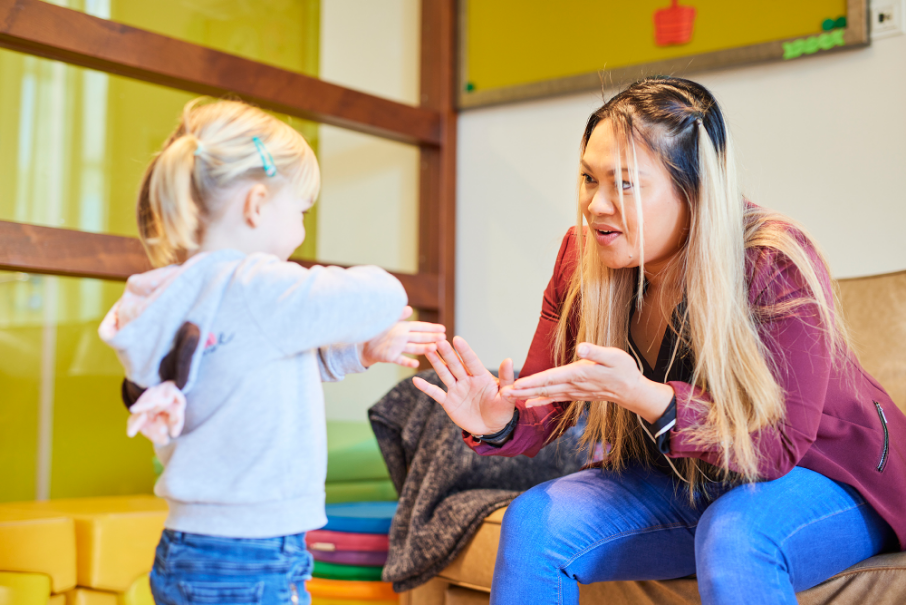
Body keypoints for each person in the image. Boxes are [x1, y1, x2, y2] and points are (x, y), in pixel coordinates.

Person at [413, 77, 905, 605]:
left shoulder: (773, 261)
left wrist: (647, 396)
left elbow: (777, 446)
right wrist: (500, 420)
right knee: (535, 523)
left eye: (625, 184)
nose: (597, 205)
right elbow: (543, 402)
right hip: (686, 476)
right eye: (588, 178)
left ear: (693, 190)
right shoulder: (583, 260)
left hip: (824, 474)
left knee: (735, 535)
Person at [98, 99, 445, 605]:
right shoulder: (252, 283)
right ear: (256, 204)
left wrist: (361, 351)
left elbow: (265, 363)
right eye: (300, 211)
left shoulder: (183, 289)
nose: (302, 231)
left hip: (189, 545)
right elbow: (379, 296)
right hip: (251, 552)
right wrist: (382, 296)